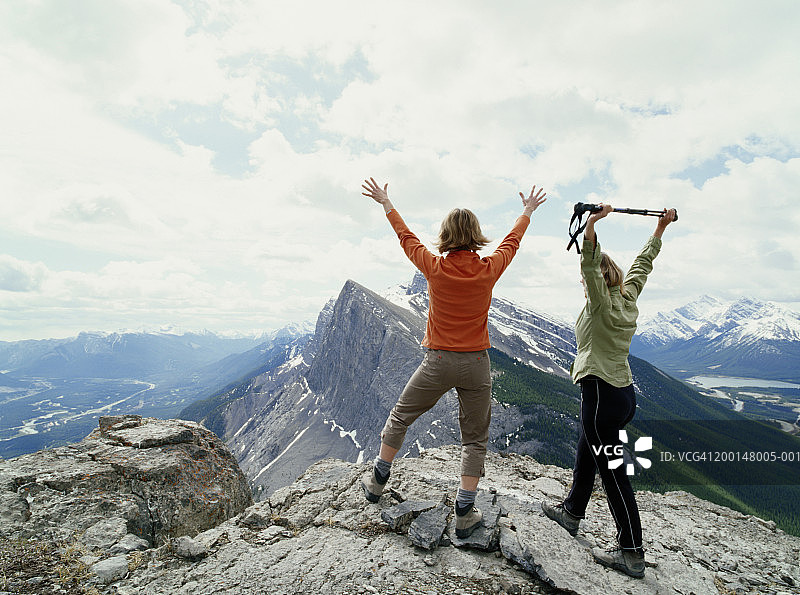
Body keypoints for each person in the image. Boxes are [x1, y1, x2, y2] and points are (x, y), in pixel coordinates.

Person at [360, 177, 547, 538]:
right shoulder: (488, 269)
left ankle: (378, 480)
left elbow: (406, 238)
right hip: (477, 364)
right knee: (475, 439)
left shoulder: (435, 267)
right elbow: (512, 242)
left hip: (438, 362)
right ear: (476, 235)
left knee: (401, 416)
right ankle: (464, 511)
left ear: (446, 236)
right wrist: (527, 212)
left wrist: (386, 202)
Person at [541, 204, 676, 578]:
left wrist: (593, 225)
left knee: (614, 474)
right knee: (589, 450)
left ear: (598, 279)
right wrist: (660, 229)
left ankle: (631, 551)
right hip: (622, 395)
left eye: (587, 281)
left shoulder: (599, 303)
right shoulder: (628, 296)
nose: (583, 284)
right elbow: (642, 266)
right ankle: (571, 512)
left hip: (599, 396)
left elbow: (589, 265)